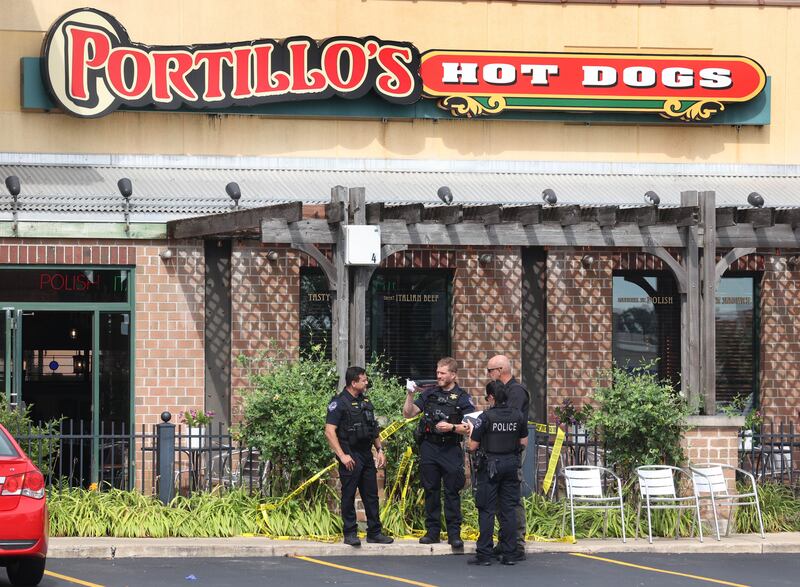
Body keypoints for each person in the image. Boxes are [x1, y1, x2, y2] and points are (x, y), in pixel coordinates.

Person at [403, 357, 474, 549]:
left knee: (452, 492)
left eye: (442, 373)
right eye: (437, 373)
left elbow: (470, 427)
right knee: (431, 490)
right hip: (429, 447)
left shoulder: (462, 397)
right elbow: (408, 413)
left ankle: (454, 535)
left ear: (453, 374)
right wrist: (410, 395)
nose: (439, 376)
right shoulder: (430, 394)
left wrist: (451, 427)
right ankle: (432, 532)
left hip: (450, 448)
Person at [325, 366, 394, 547]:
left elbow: (373, 428)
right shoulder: (339, 403)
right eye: (363, 380)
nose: (366, 382)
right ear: (353, 382)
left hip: (365, 453)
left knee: (371, 494)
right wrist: (342, 456)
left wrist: (379, 450)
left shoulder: (366, 401)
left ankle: (374, 533)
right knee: (348, 494)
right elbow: (329, 431)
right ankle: (350, 533)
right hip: (350, 454)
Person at [467, 384, 528, 566]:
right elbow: (523, 442)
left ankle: (485, 554)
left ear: (492, 397)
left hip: (490, 467)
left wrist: (472, 431)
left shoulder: (485, 417)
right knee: (509, 510)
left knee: (487, 510)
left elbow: (472, 446)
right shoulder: (518, 416)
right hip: (511, 465)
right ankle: (510, 554)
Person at [486, 354, 530, 561]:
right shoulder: (504, 391)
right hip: (498, 452)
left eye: (489, 370)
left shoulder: (516, 392)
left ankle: (517, 542)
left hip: (512, 452)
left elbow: (511, 418)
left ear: (500, 370)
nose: (488, 375)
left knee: (512, 498)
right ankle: (505, 540)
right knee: (498, 498)